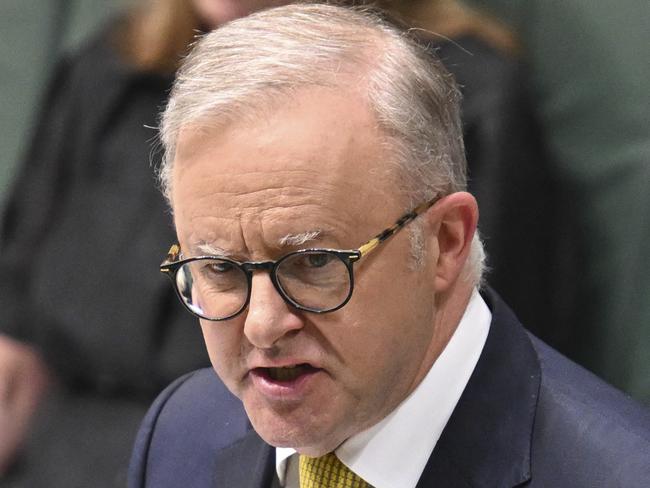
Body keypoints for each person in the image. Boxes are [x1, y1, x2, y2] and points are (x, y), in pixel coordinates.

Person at [128, 4, 650, 487]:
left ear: (446, 242)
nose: (263, 325)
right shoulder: (179, 436)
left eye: (312, 262)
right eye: (219, 268)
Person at [0, 0, 291, 486]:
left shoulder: (406, 88)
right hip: (65, 443)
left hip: (244, 445)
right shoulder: (114, 61)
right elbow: (16, 312)